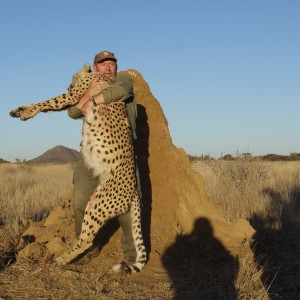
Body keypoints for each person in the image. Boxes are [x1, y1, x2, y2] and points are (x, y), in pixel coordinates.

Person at [68, 50, 142, 269]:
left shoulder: (123, 81)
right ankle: (86, 247)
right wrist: (88, 92)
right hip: (92, 153)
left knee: (127, 205)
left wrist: (92, 100)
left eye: (112, 64)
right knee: (81, 201)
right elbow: (72, 112)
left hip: (120, 154)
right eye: (104, 64)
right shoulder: (90, 84)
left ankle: (132, 255)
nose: (109, 67)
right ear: (95, 67)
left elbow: (120, 91)